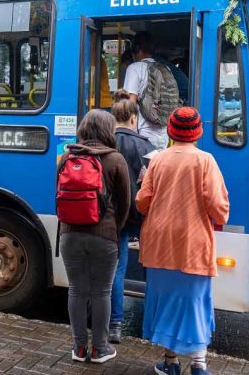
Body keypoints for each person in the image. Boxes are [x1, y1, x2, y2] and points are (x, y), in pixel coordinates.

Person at [135, 107, 229, 375]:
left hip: (159, 243)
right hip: (193, 244)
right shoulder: (205, 161)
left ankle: (170, 362)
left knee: (166, 301)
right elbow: (219, 208)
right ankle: (198, 365)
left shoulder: (159, 160)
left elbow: (142, 202)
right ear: (197, 132)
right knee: (194, 301)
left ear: (170, 131)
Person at [58, 109, 131, 364]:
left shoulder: (66, 157)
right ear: (107, 131)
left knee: (77, 290)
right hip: (104, 236)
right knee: (102, 292)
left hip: (69, 235)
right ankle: (100, 349)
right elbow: (125, 203)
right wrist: (113, 228)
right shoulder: (115, 159)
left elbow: (58, 197)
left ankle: (79, 348)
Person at [108, 90, 151, 344]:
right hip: (133, 218)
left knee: (111, 271)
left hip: (105, 217)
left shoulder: (104, 142)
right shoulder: (145, 146)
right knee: (122, 271)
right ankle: (118, 323)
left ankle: (111, 323)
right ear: (134, 119)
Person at [123, 32, 180, 150]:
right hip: (163, 134)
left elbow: (130, 103)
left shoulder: (134, 68)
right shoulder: (165, 68)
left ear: (137, 50)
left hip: (143, 135)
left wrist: (126, 132)